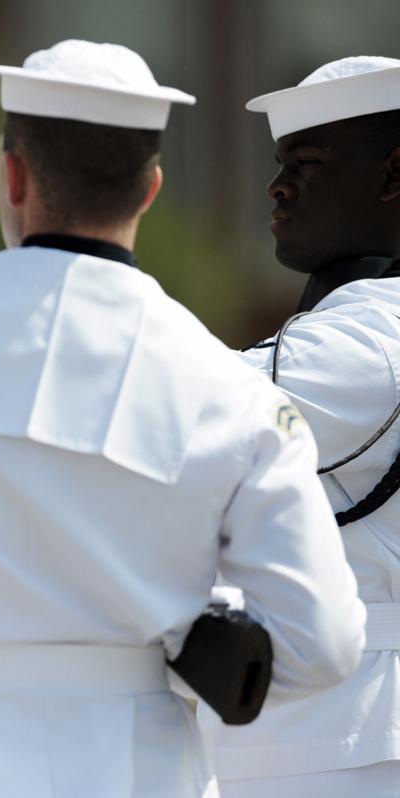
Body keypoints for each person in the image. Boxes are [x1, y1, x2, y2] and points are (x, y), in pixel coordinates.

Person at [0, 40, 365, 797]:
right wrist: (179, 624)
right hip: (133, 766)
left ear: (13, 175)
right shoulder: (227, 389)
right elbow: (323, 646)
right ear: (151, 189)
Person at [198, 57, 400, 797]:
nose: (277, 187)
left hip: (343, 737)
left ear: (392, 174)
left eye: (308, 164)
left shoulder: (372, 339)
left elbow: (162, 408)